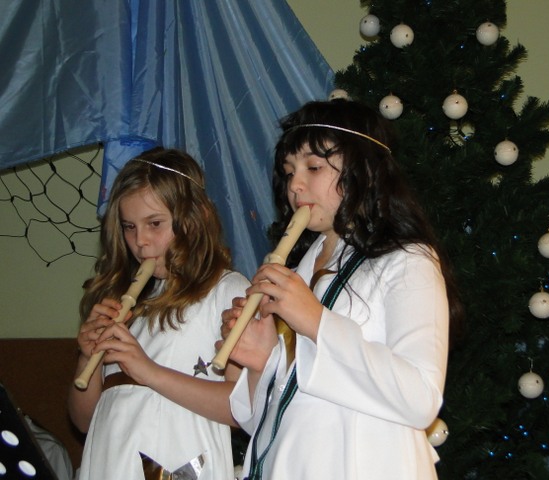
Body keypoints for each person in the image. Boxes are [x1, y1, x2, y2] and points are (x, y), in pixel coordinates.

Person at [220, 99, 464, 479]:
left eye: (314, 167)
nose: (295, 185)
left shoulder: (408, 260)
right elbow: (275, 419)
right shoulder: (299, 270)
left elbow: (421, 399)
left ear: (363, 170)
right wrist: (260, 361)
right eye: (289, 172)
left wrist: (315, 321)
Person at [68, 147, 249, 479]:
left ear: (195, 218)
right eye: (129, 227)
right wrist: (87, 358)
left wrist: (147, 371)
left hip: (180, 464)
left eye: (154, 224)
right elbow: (84, 421)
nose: (141, 242)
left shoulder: (227, 290)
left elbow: (241, 408)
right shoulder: (123, 301)